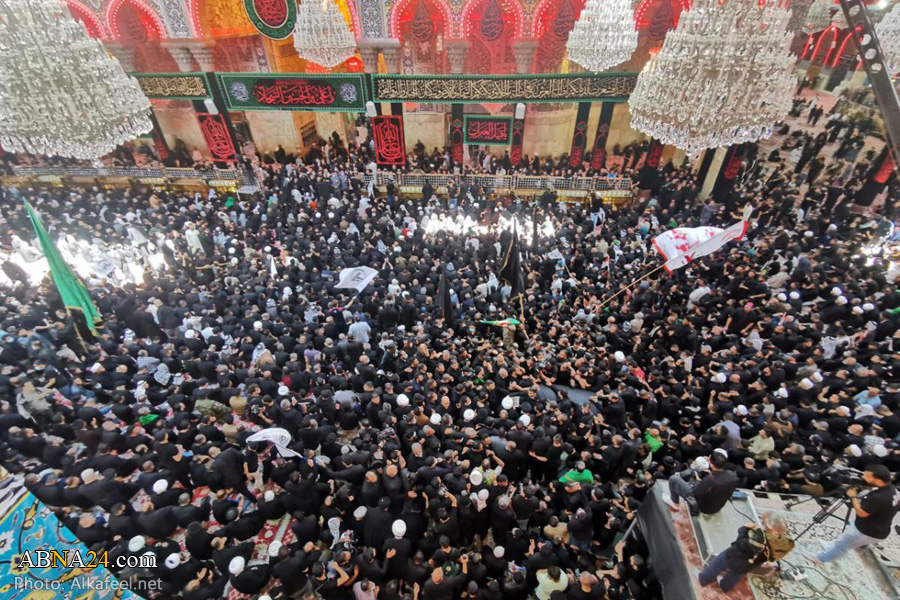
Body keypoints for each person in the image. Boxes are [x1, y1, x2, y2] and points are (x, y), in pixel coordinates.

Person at [811, 465, 900, 563]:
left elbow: (861, 513)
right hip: (875, 525)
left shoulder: (879, 497)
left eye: (867, 476)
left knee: (843, 546)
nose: (863, 478)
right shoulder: (892, 489)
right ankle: (831, 547)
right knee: (842, 540)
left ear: (878, 479)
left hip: (867, 531)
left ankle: (820, 559)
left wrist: (853, 497)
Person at [699, 513, 795, 592]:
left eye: (764, 523)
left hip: (734, 556)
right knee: (734, 576)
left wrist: (744, 529)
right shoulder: (783, 543)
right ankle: (724, 588)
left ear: (770, 528)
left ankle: (703, 579)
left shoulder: (759, 538)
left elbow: (742, 543)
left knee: (717, 564)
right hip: (748, 566)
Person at [664, 452, 740, 515]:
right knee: (697, 471)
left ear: (711, 464)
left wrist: (698, 481)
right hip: (718, 506)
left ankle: (675, 503)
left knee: (673, 478)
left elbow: (696, 494)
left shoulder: (710, 479)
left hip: (704, 508)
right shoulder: (733, 476)